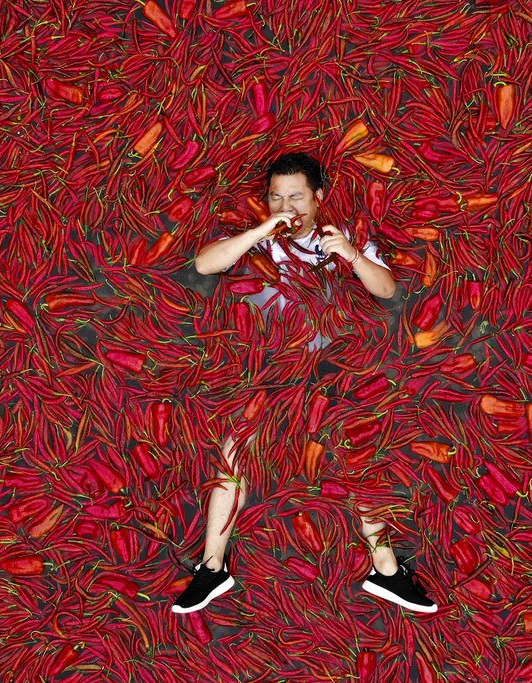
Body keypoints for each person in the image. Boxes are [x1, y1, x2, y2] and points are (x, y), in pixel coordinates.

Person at [172, 152, 437, 614]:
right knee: (234, 451)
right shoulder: (255, 239)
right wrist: (259, 230)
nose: (285, 206)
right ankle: (213, 568)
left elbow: (388, 290)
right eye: (276, 197)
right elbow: (206, 264)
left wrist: (351, 256)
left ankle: (387, 571)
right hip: (269, 365)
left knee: (356, 451)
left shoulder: (341, 238)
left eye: (295, 197)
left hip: (330, 367)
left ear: (319, 198)